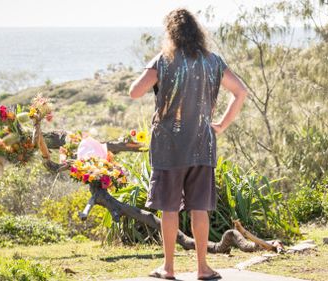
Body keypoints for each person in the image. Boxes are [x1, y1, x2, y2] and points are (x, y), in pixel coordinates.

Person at [128, 8, 248, 281]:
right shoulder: (213, 61)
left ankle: (168, 268)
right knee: (199, 208)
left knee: (169, 209)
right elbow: (240, 92)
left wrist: (155, 67)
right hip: (202, 145)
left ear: (171, 33)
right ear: (197, 32)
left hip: (169, 146)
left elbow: (135, 92)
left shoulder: (164, 59)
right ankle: (202, 268)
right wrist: (220, 125)